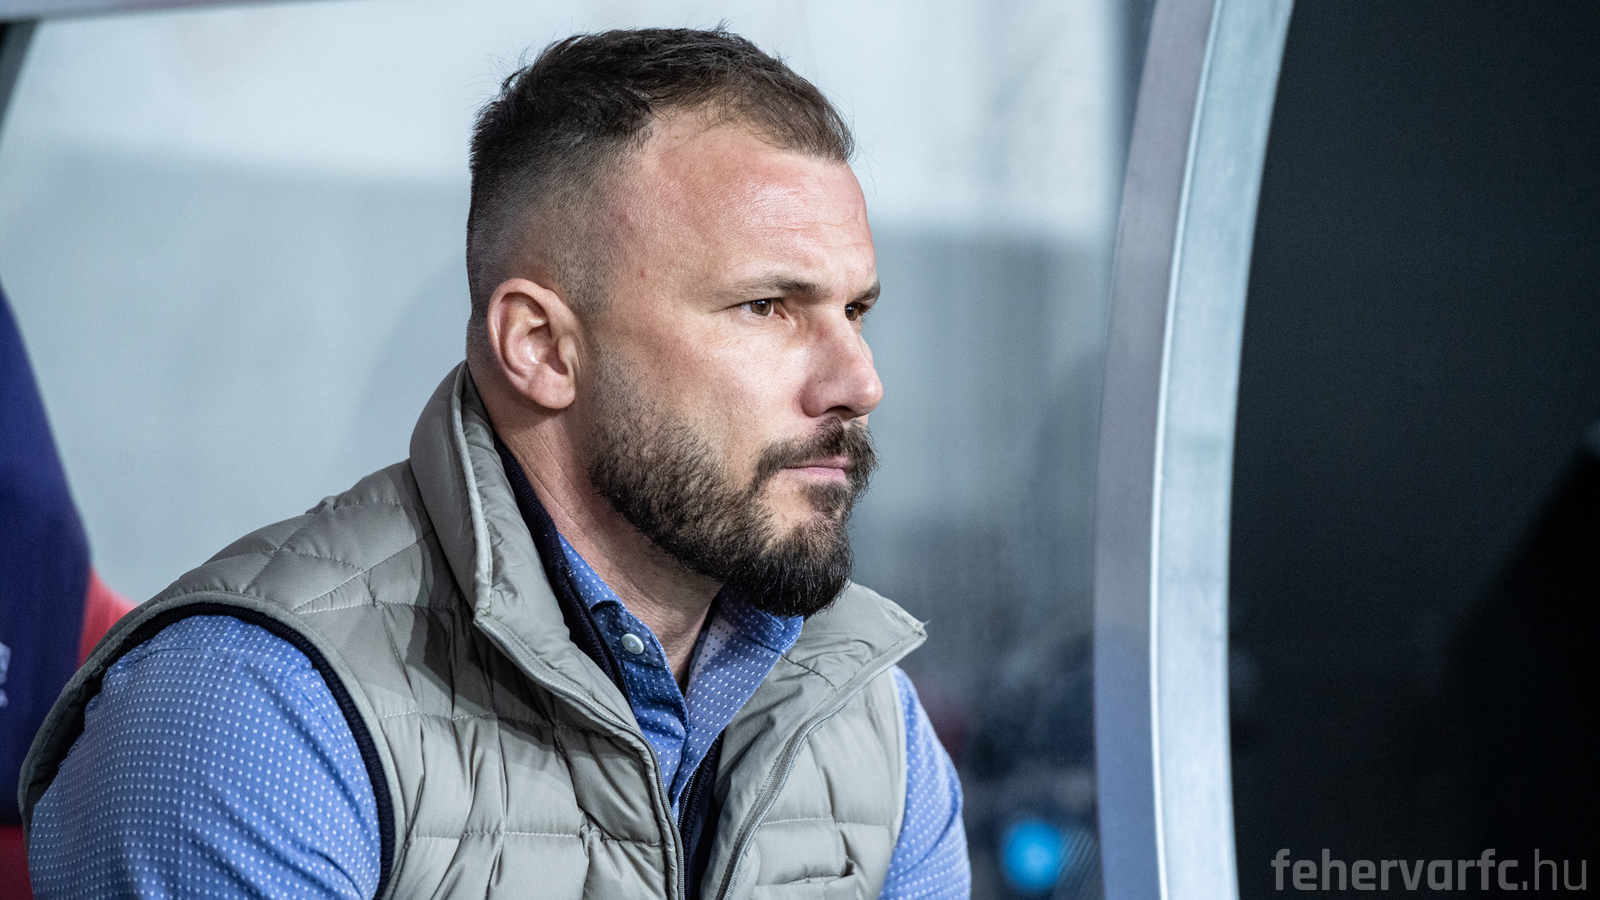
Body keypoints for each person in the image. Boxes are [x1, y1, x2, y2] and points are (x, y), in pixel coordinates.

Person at [18, 27, 969, 900]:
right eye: (766, 307)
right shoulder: (255, 712)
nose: (860, 381)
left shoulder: (867, 716)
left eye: (855, 310)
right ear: (542, 348)